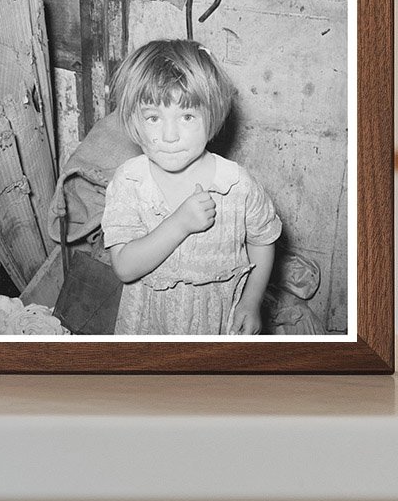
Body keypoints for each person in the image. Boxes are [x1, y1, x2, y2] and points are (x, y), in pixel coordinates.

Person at [101, 39, 281, 336]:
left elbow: (263, 240)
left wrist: (252, 300)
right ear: (134, 120)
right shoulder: (130, 182)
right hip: (149, 328)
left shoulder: (237, 185)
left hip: (216, 327)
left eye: (187, 116)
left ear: (212, 116)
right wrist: (180, 223)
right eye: (153, 117)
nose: (170, 135)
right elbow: (124, 267)